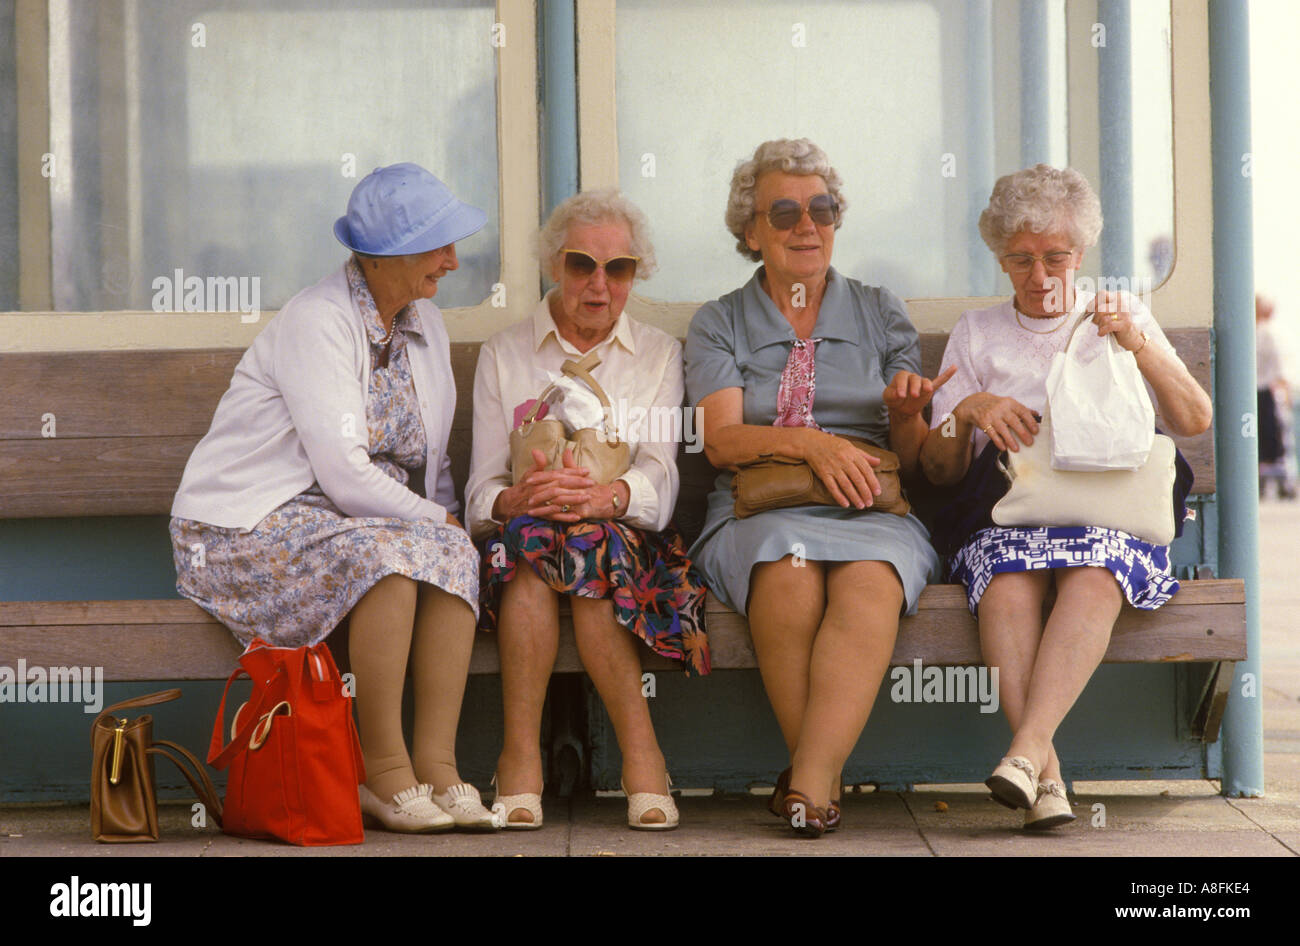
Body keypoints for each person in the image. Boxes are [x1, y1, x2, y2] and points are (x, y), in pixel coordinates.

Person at [170, 163, 498, 833]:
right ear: (386, 256)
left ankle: (437, 766)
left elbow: (428, 463)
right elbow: (345, 475)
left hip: (345, 521)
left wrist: (443, 525)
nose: (454, 260)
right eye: (438, 245)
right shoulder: (318, 320)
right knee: (389, 560)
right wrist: (437, 519)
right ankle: (382, 772)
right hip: (243, 525)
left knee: (450, 555)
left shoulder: (424, 324)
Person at [920, 164, 1213, 829]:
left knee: (1097, 568)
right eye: (1021, 259)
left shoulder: (1118, 313)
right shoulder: (977, 331)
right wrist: (967, 409)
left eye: (1056, 256)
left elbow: (1194, 419)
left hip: (1109, 509)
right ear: (1000, 258)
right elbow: (938, 473)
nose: (1041, 274)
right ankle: (1045, 776)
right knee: (1005, 580)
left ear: (1080, 254)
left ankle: (1027, 756)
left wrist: (1136, 341)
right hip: (1010, 508)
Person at [684, 138, 946, 838]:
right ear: (751, 232)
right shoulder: (721, 321)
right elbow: (721, 441)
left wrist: (906, 415)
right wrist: (809, 442)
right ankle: (819, 781)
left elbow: (914, 463)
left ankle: (804, 784)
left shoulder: (878, 310)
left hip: (870, 506)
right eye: (785, 211)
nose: (808, 225)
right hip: (760, 509)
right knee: (788, 574)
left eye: (822, 209)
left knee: (868, 579)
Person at [465, 188, 709, 831]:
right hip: (520, 541)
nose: (599, 285)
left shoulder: (657, 354)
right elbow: (479, 489)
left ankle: (529, 760)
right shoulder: (505, 353)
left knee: (581, 542)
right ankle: (635, 759)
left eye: (618, 269)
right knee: (535, 543)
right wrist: (514, 500)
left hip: (623, 541)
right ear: (554, 266)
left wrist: (607, 498)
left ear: (634, 275)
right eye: (581, 265)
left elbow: (659, 472)